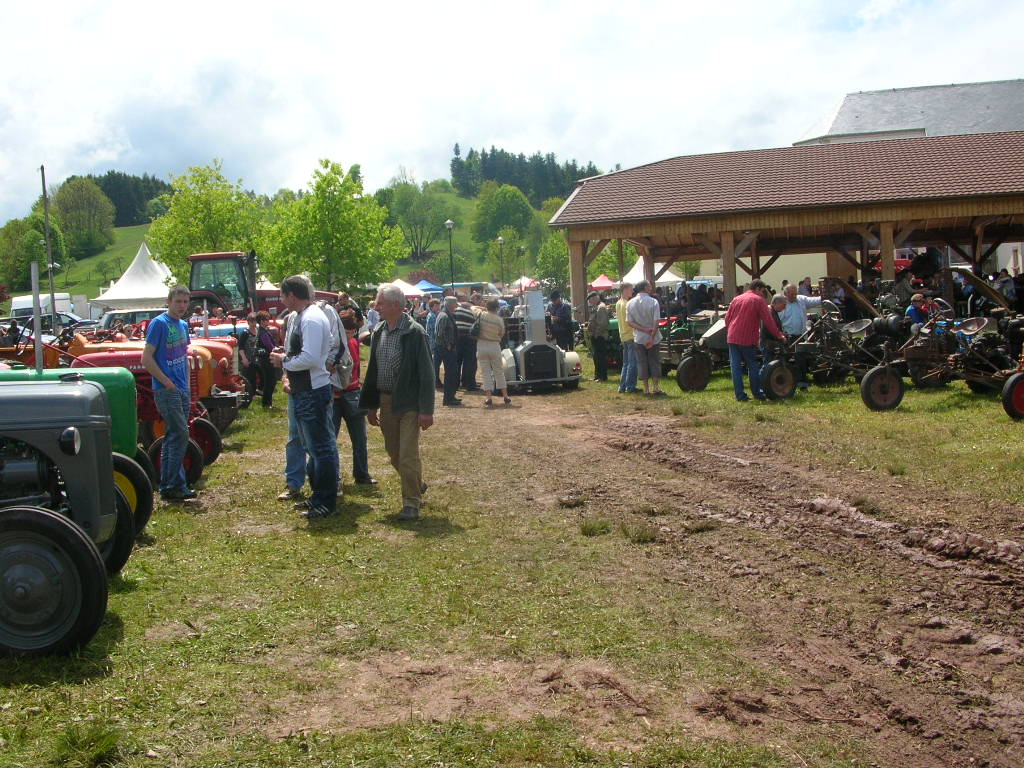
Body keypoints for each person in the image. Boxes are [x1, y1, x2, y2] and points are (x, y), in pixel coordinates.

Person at [359, 283, 435, 521]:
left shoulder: (414, 333)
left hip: (410, 403)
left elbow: (427, 373)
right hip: (386, 401)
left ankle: (411, 503)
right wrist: (372, 405)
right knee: (393, 453)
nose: (376, 307)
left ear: (395, 306)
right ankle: (416, 483)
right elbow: (373, 371)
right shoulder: (379, 331)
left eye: (380, 303)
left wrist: (426, 410)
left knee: (407, 455)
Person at [270, 276, 339, 520]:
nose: (281, 300)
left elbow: (310, 357)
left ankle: (326, 500)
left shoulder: (310, 318)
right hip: (306, 390)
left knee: (321, 448)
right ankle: (319, 495)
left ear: (291, 295)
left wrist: (283, 361)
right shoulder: (304, 316)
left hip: (312, 391)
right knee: (314, 447)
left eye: (282, 295)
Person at [141, 285, 196, 501]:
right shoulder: (159, 324)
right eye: (178, 302)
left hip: (182, 388)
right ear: (169, 301)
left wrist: (187, 386)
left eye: (185, 302)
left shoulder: (183, 325)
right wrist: (166, 382)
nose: (182, 306)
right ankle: (173, 484)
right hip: (167, 389)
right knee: (180, 434)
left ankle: (170, 485)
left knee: (174, 436)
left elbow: (184, 356)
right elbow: (146, 359)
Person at [332, 310, 375, 485]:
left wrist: (358, 385)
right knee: (331, 439)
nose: (348, 335)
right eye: (346, 331)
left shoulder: (354, 344)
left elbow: (355, 369)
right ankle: (333, 477)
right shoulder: (332, 345)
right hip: (334, 396)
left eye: (351, 332)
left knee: (359, 438)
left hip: (352, 393)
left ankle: (362, 474)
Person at [725, 280, 785, 402]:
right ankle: (757, 393)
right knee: (752, 365)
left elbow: (727, 318)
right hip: (747, 338)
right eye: (763, 291)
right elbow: (768, 321)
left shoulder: (737, 299)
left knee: (735, 367)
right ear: (758, 289)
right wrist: (779, 335)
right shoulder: (758, 300)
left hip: (732, 336)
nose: (764, 295)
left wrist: (731, 330)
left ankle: (740, 396)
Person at [778, 283, 821, 390]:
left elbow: (816, 300)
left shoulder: (801, 299)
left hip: (801, 336)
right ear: (785, 294)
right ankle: (793, 382)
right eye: (791, 294)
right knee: (792, 360)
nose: (794, 296)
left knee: (801, 359)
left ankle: (802, 383)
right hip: (787, 336)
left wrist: (824, 295)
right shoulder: (781, 304)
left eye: (795, 293)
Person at [626, 280, 664, 395]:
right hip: (653, 337)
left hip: (639, 337)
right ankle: (656, 387)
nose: (651, 287)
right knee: (654, 361)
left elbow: (629, 322)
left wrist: (643, 330)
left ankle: (646, 389)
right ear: (645, 287)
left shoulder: (630, 303)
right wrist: (651, 337)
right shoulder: (653, 302)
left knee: (641, 363)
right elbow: (656, 321)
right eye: (649, 285)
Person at [476, 297, 511, 406]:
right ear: (497, 307)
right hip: (494, 345)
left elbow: (472, 307)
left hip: (482, 344)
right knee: (499, 371)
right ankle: (505, 396)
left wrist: (482, 307)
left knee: (485, 372)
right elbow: (502, 333)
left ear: (487, 307)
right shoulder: (499, 320)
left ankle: (488, 397)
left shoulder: (481, 315)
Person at [434, 296, 461, 407]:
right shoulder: (444, 316)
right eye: (455, 304)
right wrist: (448, 345)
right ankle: (448, 399)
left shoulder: (444, 314)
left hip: (446, 348)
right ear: (450, 305)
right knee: (450, 374)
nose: (456, 307)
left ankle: (450, 396)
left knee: (452, 373)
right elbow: (441, 334)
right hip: (446, 349)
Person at [616, 283, 639, 393]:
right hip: (630, 335)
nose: (632, 291)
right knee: (632, 363)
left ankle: (622, 386)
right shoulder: (627, 304)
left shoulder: (618, 303)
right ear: (625, 290)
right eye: (630, 289)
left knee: (626, 363)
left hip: (623, 336)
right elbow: (630, 321)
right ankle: (630, 387)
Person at [454, 296, 479, 390]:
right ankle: (469, 384)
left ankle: (455, 384)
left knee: (457, 362)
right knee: (470, 362)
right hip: (469, 339)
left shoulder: (455, 311)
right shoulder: (472, 313)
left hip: (457, 338)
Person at [587, 291, 610, 382]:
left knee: (601, 357)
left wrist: (596, 334)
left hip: (599, 336)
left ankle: (602, 376)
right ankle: (597, 375)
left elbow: (602, 324)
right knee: (596, 357)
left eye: (590, 300)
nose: (590, 302)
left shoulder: (601, 308)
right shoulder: (596, 307)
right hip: (595, 335)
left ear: (595, 298)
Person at [424, 298, 442, 387]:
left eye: (438, 305)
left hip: (433, 342)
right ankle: (435, 381)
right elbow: (433, 331)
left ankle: (436, 380)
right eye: (436, 306)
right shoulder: (432, 316)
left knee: (435, 363)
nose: (438, 307)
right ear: (431, 307)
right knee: (435, 364)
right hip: (434, 343)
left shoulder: (434, 314)